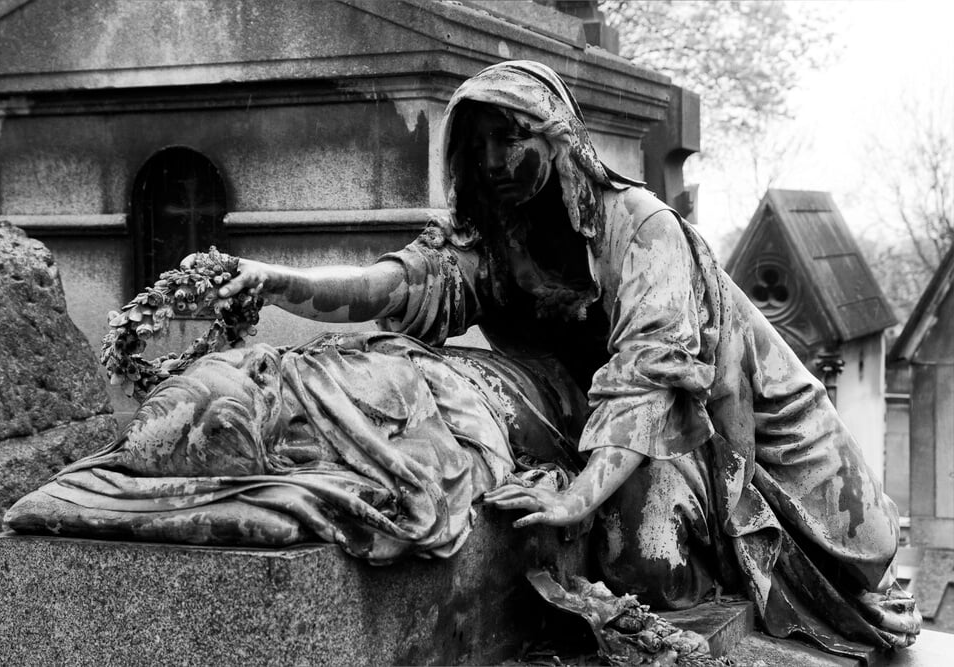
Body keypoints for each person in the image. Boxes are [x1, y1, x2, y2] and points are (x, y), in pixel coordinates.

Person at [201, 61, 920, 653]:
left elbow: (650, 375)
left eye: (511, 137)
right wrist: (283, 284)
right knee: (638, 556)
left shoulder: (640, 228)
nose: (494, 160)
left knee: (858, 545)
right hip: (636, 435)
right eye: (478, 143)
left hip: (750, 439)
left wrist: (575, 495)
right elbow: (400, 284)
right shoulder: (492, 239)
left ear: (559, 137)